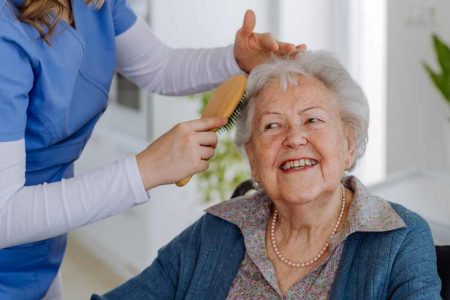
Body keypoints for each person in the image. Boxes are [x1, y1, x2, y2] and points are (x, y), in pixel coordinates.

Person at [0, 0, 303, 298]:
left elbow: (159, 66)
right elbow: (4, 214)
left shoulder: (96, 3)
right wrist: (145, 170)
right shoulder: (6, 32)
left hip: (39, 256)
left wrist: (236, 59)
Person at [92, 51, 442, 299]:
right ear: (253, 159)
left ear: (348, 144)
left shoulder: (400, 239)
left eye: (312, 120)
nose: (293, 138)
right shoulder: (216, 231)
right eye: (272, 125)